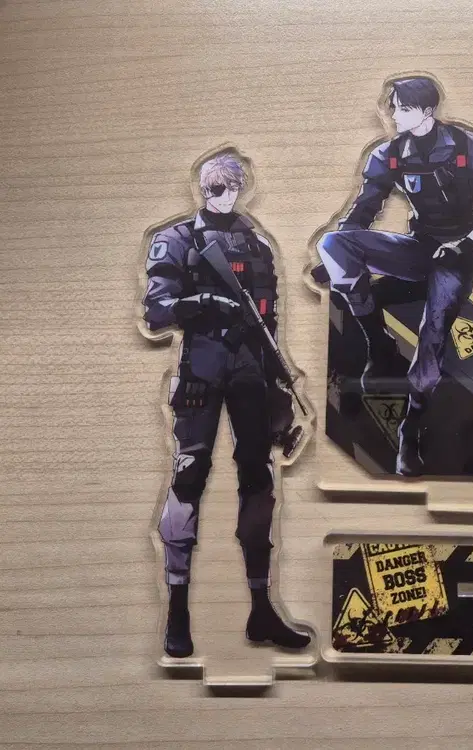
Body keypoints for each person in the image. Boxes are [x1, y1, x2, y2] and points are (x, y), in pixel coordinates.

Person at [143, 152, 310, 657]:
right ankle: (176, 612)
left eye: (233, 187)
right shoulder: (175, 239)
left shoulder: (256, 243)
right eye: (217, 188)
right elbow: (156, 312)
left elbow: (270, 321)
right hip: (201, 366)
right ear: (202, 188)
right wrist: (202, 305)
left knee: (258, 480)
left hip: (250, 370)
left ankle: (261, 609)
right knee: (188, 474)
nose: (226, 195)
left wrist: (281, 387)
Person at [316, 77, 473, 476]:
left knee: (432, 334)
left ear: (426, 111)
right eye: (392, 107)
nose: (392, 115)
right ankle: (380, 346)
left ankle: (411, 429)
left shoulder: (472, 147)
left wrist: (469, 243)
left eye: (402, 108)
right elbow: (364, 208)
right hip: (419, 249)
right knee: (332, 243)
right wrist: (341, 256)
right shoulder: (389, 154)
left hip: (456, 256)